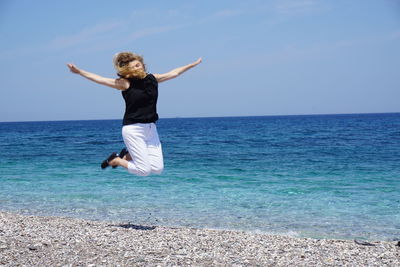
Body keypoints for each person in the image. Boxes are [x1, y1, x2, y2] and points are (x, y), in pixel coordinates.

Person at [67, 52, 202, 176]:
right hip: (133, 129)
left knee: (157, 169)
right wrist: (79, 72)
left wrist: (192, 65)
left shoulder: (152, 79)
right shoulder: (125, 83)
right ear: (128, 70)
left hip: (151, 129)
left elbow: (174, 73)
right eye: (134, 66)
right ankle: (117, 160)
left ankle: (127, 155)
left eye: (139, 64)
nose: (139, 67)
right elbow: (100, 79)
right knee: (144, 171)